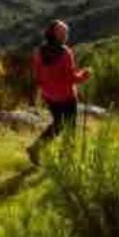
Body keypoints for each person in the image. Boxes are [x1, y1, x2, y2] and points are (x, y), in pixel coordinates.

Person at [28, 20, 91, 165]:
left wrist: (44, 89)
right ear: (54, 34)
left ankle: (36, 148)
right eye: (63, 32)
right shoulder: (65, 53)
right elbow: (71, 78)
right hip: (67, 97)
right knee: (70, 128)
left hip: (49, 96)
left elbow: (37, 76)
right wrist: (84, 75)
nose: (66, 35)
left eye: (66, 32)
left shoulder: (38, 52)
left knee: (58, 124)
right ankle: (66, 160)